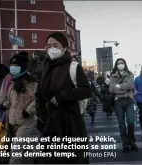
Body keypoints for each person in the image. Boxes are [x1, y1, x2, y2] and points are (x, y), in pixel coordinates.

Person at [35, 32, 91, 164]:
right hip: (50, 123)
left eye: (55, 45)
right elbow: (40, 93)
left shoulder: (73, 66)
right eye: (48, 45)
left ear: (64, 48)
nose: (51, 48)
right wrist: (41, 114)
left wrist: (62, 95)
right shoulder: (45, 67)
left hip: (71, 122)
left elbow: (86, 90)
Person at [0, 52, 37, 164]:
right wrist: (3, 104)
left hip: (26, 121)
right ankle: (38, 157)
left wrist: (28, 111)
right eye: (11, 65)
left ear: (22, 67)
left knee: (15, 151)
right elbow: (3, 98)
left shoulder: (30, 82)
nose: (12, 68)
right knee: (20, 147)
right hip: (11, 121)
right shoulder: (10, 81)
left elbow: (37, 99)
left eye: (16, 66)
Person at [109, 58, 138, 153]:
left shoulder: (130, 74)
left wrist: (119, 87)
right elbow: (112, 89)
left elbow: (130, 86)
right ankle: (125, 143)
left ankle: (132, 141)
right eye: (118, 63)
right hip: (118, 102)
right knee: (121, 124)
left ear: (125, 64)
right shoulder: (113, 76)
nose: (120, 64)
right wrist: (124, 87)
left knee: (131, 121)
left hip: (129, 100)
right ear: (116, 65)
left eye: (122, 63)